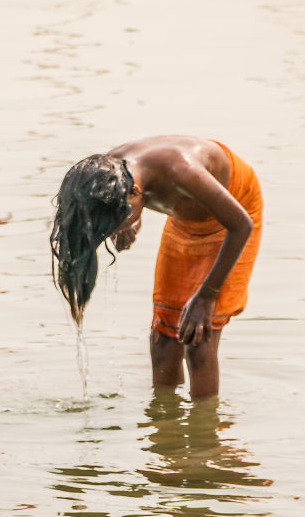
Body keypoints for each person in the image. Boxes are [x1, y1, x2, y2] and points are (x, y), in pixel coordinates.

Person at [50, 134, 263, 399]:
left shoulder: (183, 170)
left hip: (234, 217)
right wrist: (128, 222)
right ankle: (165, 425)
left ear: (136, 193)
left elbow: (242, 225)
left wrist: (206, 297)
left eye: (117, 219)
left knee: (198, 340)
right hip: (185, 216)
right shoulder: (108, 172)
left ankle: (205, 435)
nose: (113, 229)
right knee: (162, 341)